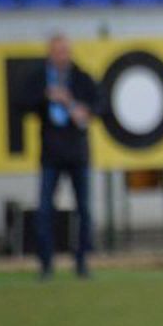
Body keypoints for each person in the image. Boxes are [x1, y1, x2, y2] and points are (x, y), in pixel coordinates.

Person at [23, 33, 100, 279]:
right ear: (50, 53)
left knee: (83, 209)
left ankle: (82, 262)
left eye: (65, 50)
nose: (61, 55)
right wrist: (46, 97)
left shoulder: (80, 77)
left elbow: (99, 104)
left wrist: (77, 105)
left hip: (77, 153)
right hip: (51, 153)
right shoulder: (39, 79)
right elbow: (21, 102)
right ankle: (46, 264)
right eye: (57, 51)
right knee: (45, 209)